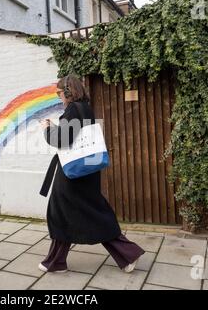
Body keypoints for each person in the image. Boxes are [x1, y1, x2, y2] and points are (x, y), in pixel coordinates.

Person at [38, 74, 145, 273]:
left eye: (59, 93)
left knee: (67, 214)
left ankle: (127, 254)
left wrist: (46, 129)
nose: (59, 97)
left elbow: (61, 140)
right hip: (85, 172)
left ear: (67, 92)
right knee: (82, 213)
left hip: (72, 175)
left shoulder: (73, 110)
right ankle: (56, 262)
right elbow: (71, 135)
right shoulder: (84, 108)